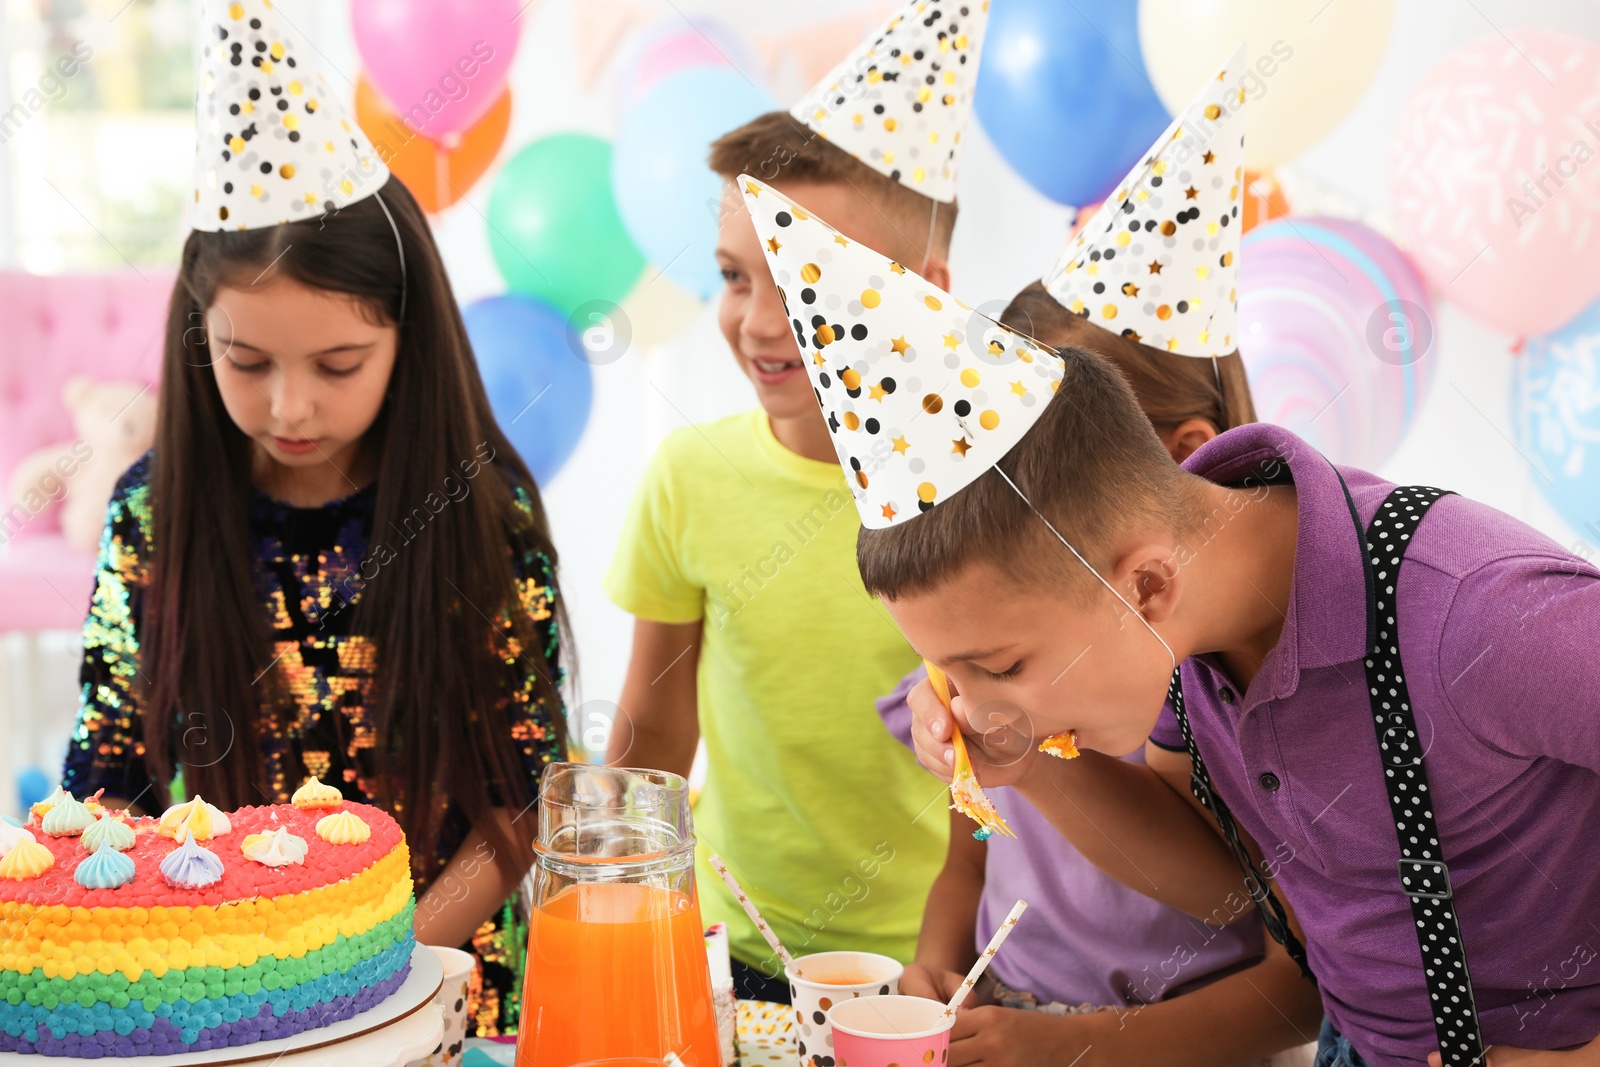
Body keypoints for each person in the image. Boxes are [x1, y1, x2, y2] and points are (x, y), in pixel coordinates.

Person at [744, 66, 1600, 1067]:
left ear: (1145, 580)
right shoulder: (1181, 641)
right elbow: (1219, 883)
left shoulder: (1476, 615)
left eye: (1001, 666)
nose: (970, 710)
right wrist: (1017, 759)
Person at [60, 0, 564, 1036]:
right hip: (222, 990)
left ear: (405, 339)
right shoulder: (150, 516)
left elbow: (521, 798)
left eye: (338, 365)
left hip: (442, 986)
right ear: (199, 338)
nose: (290, 406)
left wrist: (386, 970)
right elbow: (104, 779)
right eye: (247, 363)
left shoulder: (479, 513)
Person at [869, 53, 1316, 1067]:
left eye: (1073, 451)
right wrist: (933, 975)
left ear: (1177, 455)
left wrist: (1073, 1047)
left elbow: (1293, 978)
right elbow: (968, 860)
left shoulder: (1244, 694)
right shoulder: (995, 653)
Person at [603, 0, 992, 1001]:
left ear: (928, 290)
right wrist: (619, 903)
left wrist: (942, 956)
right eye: (736, 275)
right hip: (736, 947)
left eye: (809, 282)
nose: (761, 323)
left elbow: (999, 766)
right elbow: (653, 736)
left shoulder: (984, 504)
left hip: (942, 958)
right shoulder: (688, 478)